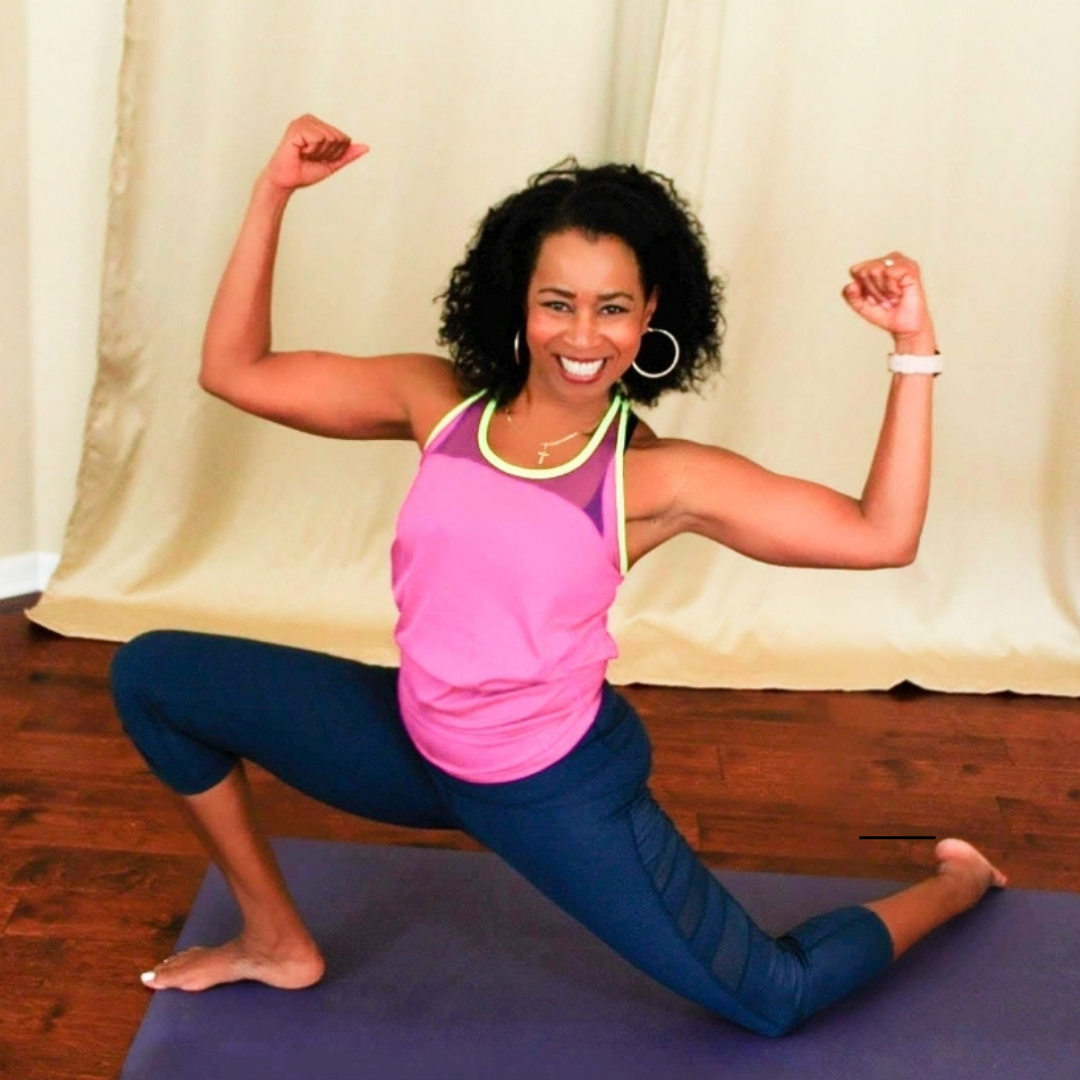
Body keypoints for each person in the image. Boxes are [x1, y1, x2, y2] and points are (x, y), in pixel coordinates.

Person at [110, 114, 1006, 1038]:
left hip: (549, 784)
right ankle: (273, 939)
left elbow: (880, 534)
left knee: (773, 997)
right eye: (558, 302)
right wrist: (275, 191)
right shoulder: (441, 404)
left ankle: (957, 883)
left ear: (652, 311)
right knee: (155, 675)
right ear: (518, 302)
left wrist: (912, 347)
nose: (584, 335)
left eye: (613, 306)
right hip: (415, 744)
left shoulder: (654, 477)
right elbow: (235, 370)